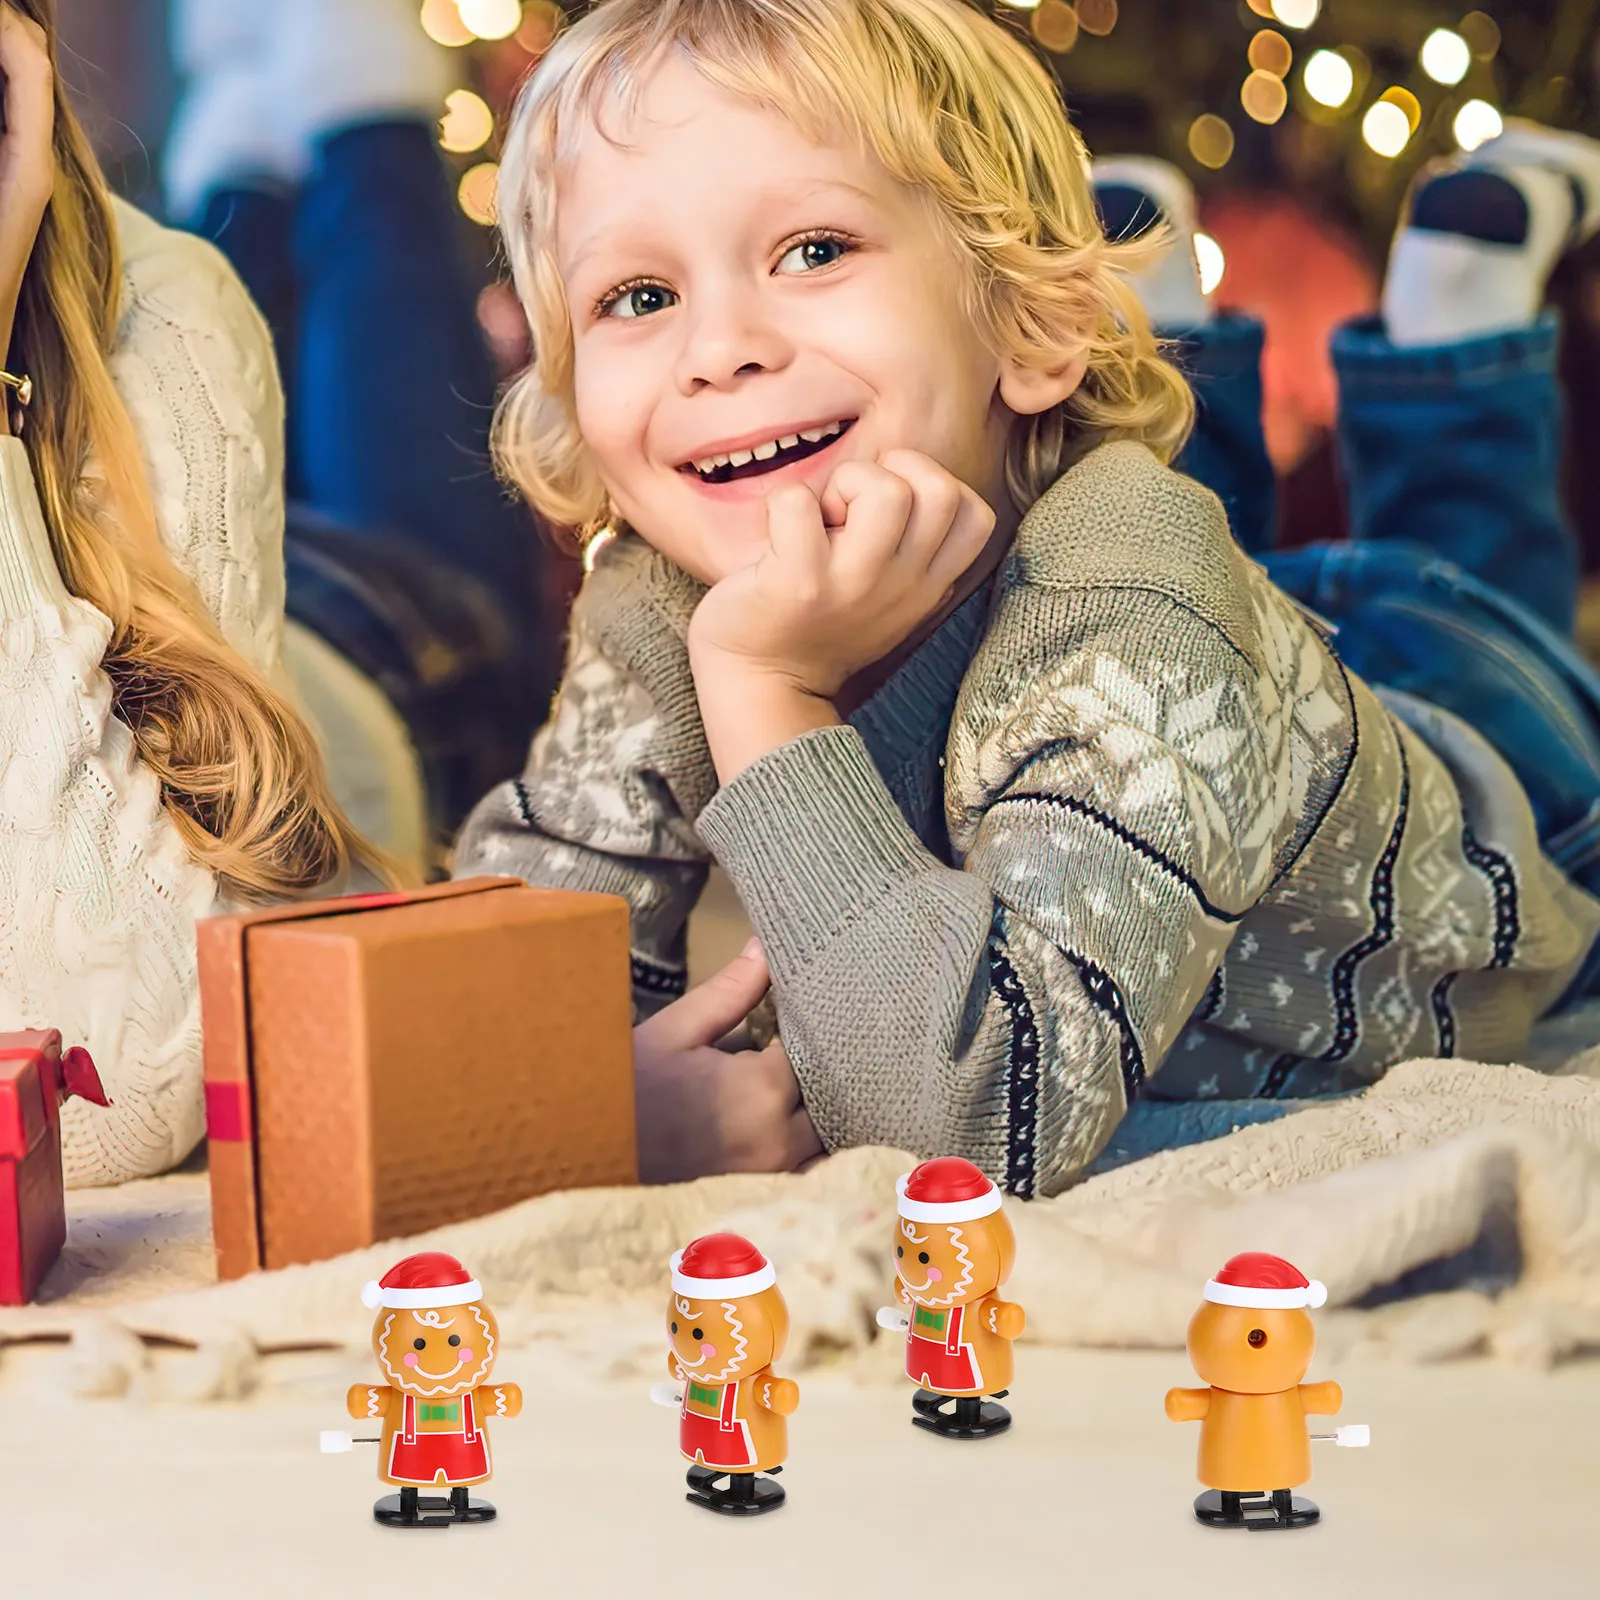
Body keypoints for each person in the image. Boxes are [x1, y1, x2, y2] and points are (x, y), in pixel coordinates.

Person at [455, 0, 1600, 1195]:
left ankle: (1460, 320)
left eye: (812, 250)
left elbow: (972, 1127)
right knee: (1122, 516)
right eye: (638, 298)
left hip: (1490, 750)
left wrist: (765, 691)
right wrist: (593, 1108)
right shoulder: (659, 594)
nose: (717, 349)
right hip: (1169, 665)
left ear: (1029, 331)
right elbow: (484, 1011)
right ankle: (1145, 303)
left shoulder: (1137, 591)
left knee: (1451, 560)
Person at [0, 0, 388, 1186]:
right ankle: (269, 123)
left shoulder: (159, 314)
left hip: (371, 679)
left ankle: (345, 94)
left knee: (408, 357)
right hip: (299, 631)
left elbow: (119, 1096)